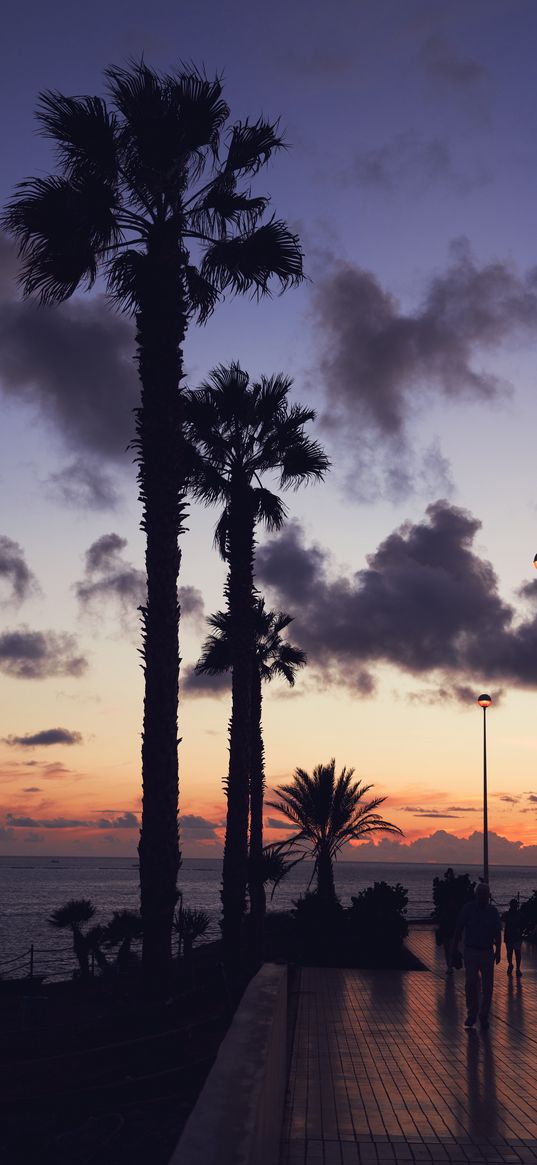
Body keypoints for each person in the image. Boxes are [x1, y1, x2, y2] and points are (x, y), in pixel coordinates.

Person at [452, 882, 501, 1030]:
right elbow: (459, 928)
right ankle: (472, 1013)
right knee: (471, 982)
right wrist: (454, 949)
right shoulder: (468, 909)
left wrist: (498, 951)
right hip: (471, 950)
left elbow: (497, 933)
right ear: (476, 895)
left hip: (487, 951)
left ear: (489, 896)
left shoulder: (493, 912)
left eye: (485, 894)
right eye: (480, 894)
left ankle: (483, 1015)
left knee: (488, 987)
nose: (482, 897)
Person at [503, 898, 523, 977]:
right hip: (511, 937)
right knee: (512, 953)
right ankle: (514, 967)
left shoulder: (510, 914)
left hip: (514, 937)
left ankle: (514, 967)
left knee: (514, 953)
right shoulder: (509, 914)